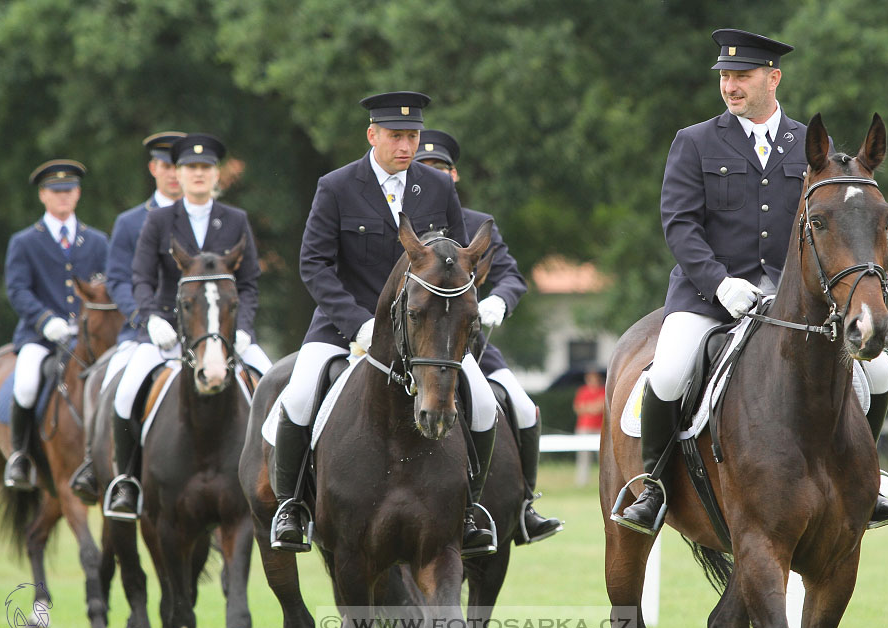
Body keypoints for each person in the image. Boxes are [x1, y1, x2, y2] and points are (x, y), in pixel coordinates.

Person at [616, 29, 888, 534]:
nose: (730, 86)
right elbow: (679, 225)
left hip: (791, 299)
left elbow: (834, 225)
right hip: (708, 295)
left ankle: (868, 476)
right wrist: (720, 283)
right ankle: (654, 487)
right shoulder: (695, 141)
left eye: (742, 76)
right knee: (670, 370)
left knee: (878, 373)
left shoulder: (813, 148)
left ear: (774, 77)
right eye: (725, 77)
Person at [272, 92, 499, 556]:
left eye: (413, 136)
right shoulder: (336, 186)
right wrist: (357, 323)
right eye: (396, 136)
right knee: (297, 396)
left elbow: (455, 262)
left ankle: (471, 509)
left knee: (484, 406)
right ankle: (291, 505)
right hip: (345, 324)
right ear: (372, 135)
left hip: (425, 332)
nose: (407, 146)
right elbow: (315, 265)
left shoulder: (437, 188)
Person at [104, 133, 270, 518]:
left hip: (227, 334)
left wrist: (243, 327)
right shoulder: (159, 220)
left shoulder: (236, 220)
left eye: (206, 168)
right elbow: (141, 278)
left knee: (272, 385)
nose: (199, 174)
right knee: (126, 391)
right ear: (177, 174)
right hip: (165, 333)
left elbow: (248, 283)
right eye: (191, 168)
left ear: (217, 176)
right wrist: (151, 319)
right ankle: (126, 482)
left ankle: (279, 485)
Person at [415, 128, 562, 544]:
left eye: (440, 169)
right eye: (423, 169)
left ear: (453, 176)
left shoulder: (477, 225)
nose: (432, 176)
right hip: (408, 350)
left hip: (468, 349)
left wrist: (499, 300)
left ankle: (523, 506)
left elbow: (511, 277)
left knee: (523, 407)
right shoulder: (397, 224)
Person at [69, 131, 185, 503]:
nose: (173, 174)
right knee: (116, 390)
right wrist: (145, 317)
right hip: (145, 333)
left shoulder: (210, 219)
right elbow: (118, 279)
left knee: (261, 381)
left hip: (205, 334)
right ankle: (118, 476)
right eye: (166, 166)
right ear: (153, 168)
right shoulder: (131, 222)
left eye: (179, 166)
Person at [3, 160, 108, 489]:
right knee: (26, 384)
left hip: (88, 338)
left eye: (69, 191)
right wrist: (45, 320)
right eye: (56, 191)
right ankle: (20, 456)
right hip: (41, 337)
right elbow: (17, 289)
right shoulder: (25, 241)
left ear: (77, 195)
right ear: (43, 195)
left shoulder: (97, 241)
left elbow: (106, 286)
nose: (63, 197)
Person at [572, 368, 605, 487]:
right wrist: (592, 407)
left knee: (602, 457)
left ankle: (604, 481)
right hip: (584, 427)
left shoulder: (603, 391)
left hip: (599, 428)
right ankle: (582, 481)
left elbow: (600, 407)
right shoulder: (583, 391)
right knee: (583, 456)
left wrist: (588, 408)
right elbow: (578, 408)